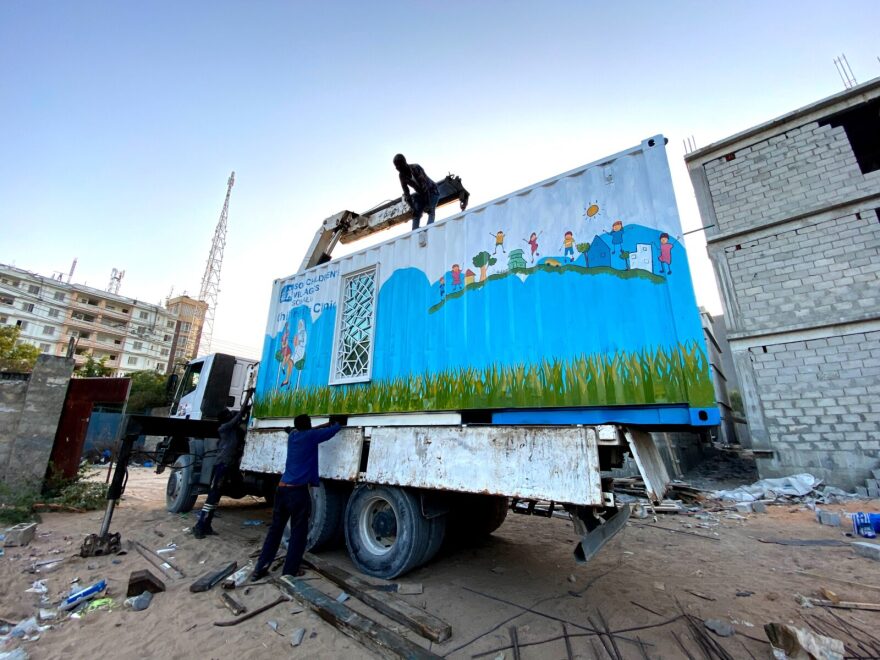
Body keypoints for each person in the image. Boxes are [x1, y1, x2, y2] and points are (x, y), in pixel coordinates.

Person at [251, 414, 341, 580]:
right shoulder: (311, 436)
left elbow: (304, 430)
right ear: (309, 425)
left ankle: (260, 568)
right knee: (298, 533)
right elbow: (332, 431)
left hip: (282, 489)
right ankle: (290, 571)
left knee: (275, 530)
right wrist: (337, 423)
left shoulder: (293, 435)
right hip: (297, 492)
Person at [192, 390, 254, 539]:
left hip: (227, 465)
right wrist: (247, 398)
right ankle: (201, 526)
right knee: (213, 496)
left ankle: (206, 525)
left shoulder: (230, 429)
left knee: (216, 497)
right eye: (228, 414)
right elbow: (238, 417)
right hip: (222, 465)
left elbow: (240, 418)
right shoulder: (225, 428)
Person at [394, 153, 440, 230]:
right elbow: (406, 192)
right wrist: (413, 208)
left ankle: (429, 229)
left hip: (432, 191)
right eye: (396, 167)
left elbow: (425, 187)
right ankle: (416, 232)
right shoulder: (401, 175)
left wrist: (428, 205)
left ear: (405, 162)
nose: (398, 168)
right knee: (416, 215)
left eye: (399, 165)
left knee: (431, 211)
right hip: (421, 194)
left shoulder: (416, 168)